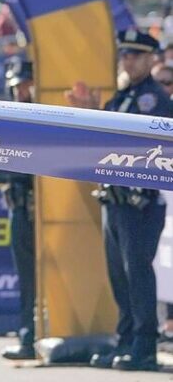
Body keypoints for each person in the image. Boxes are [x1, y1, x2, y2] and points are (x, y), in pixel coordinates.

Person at [66, 29, 173, 372]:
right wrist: (92, 112)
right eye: (124, 55)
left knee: (137, 273)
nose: (127, 61)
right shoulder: (123, 95)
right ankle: (126, 341)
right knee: (120, 275)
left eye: (135, 55)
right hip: (114, 199)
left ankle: (144, 346)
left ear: (150, 59)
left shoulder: (150, 98)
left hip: (138, 201)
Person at [0, 56, 36, 361]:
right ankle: (27, 335)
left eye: (26, 84)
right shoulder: (9, 121)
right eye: (16, 86)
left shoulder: (45, 118)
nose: (21, 91)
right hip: (19, 206)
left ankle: (39, 333)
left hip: (45, 210)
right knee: (26, 278)